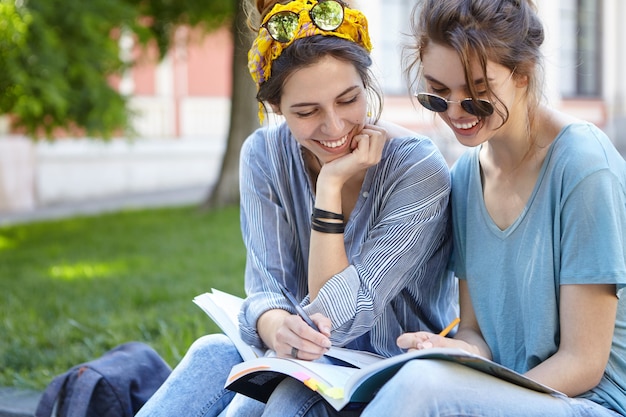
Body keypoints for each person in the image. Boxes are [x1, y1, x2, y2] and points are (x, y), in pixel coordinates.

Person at [135, 0, 458, 415]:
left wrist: (330, 184)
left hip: (391, 377)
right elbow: (267, 285)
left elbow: (338, 319)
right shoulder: (263, 154)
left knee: (289, 396)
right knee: (211, 353)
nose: (335, 127)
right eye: (306, 112)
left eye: (348, 100)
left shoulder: (417, 167)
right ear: (275, 109)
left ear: (367, 82)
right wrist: (271, 323)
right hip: (308, 362)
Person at [357, 0, 626, 416]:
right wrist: (456, 351)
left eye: (478, 95)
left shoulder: (584, 167)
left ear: (524, 74)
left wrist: (475, 395)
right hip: (516, 392)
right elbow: (476, 331)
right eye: (439, 93)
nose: (455, 112)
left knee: (423, 389)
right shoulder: (466, 177)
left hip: (588, 402)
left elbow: (583, 363)